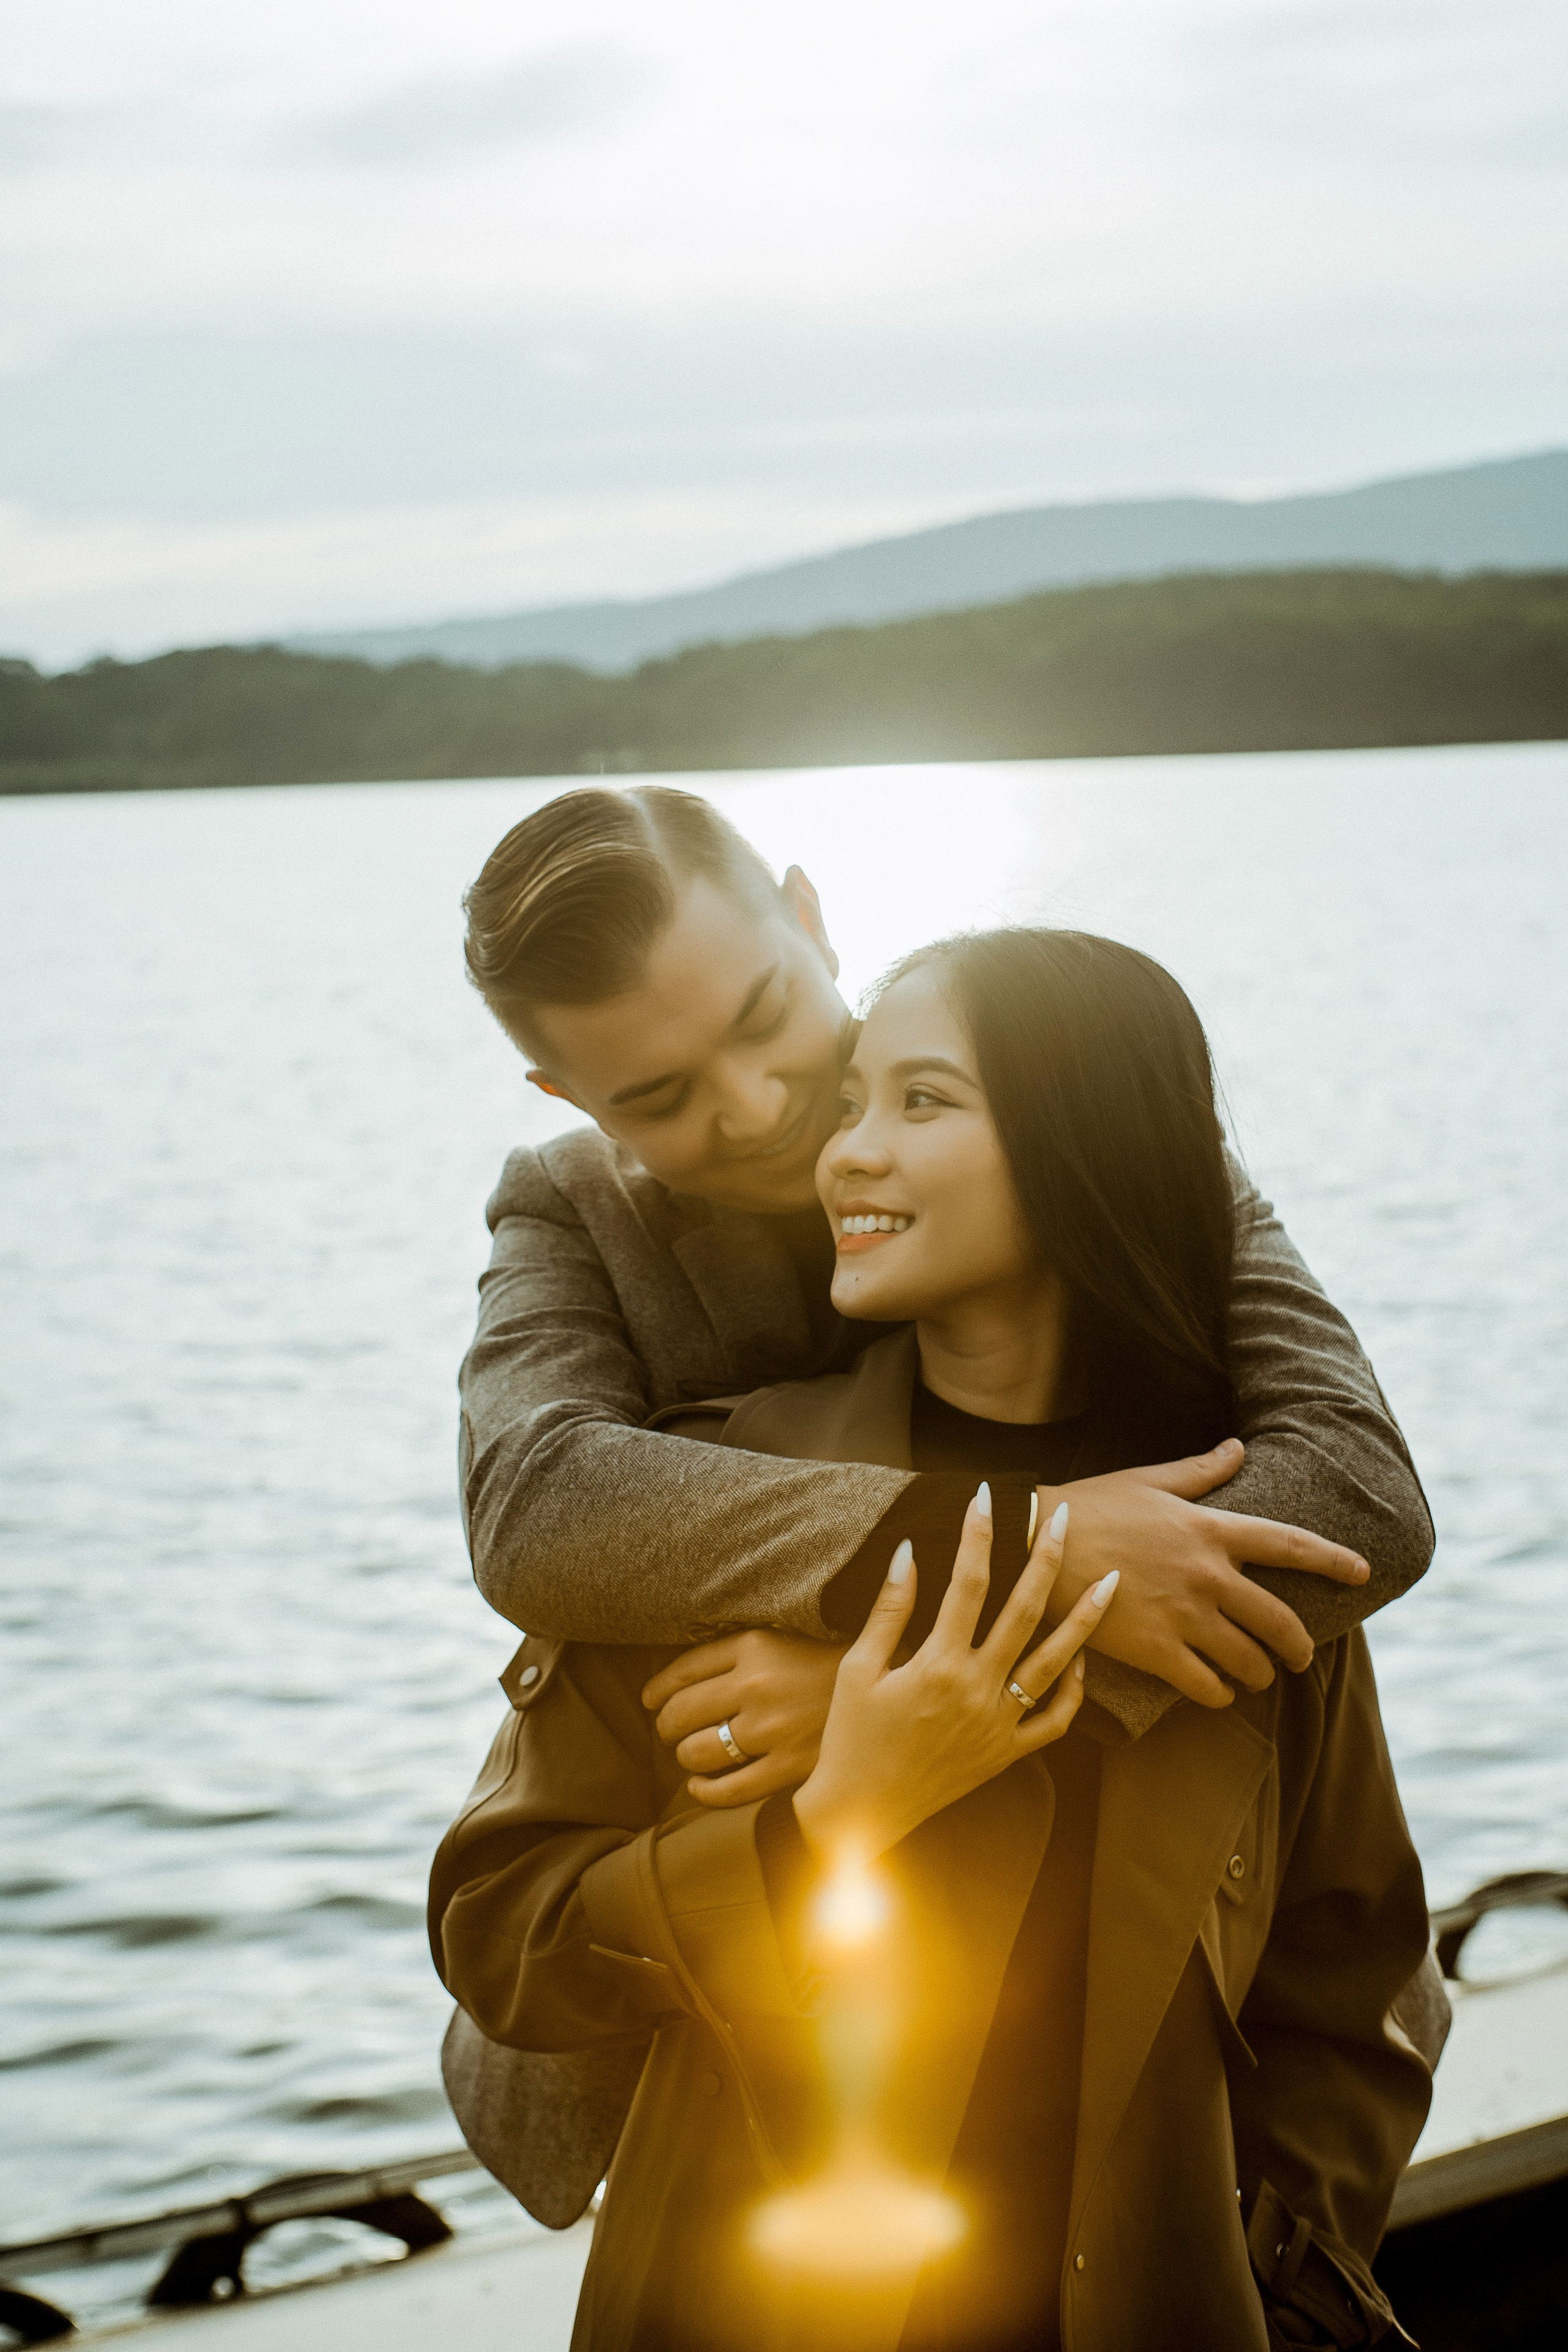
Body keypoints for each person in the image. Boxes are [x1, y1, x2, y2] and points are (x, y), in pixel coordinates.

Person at [431, 927, 1436, 2350]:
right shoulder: (715, 1508)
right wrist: (832, 1813)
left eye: (920, 1103)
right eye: (854, 1101)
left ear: (1082, 1142)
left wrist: (1282, 2283)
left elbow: (1345, 1980)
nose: (834, 1152)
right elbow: (507, 1945)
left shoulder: (1219, 1540)